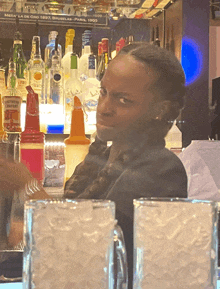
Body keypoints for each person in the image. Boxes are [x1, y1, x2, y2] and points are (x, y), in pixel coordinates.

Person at [0, 42, 187, 287]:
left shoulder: (163, 169)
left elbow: (92, 250)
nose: (104, 108)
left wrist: (27, 187)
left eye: (123, 100)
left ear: (159, 110)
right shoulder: (99, 161)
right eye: (103, 92)